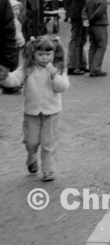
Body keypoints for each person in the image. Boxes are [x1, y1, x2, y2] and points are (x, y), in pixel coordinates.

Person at [0, 35, 70, 182]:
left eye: (48, 54)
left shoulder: (58, 68)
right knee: (31, 141)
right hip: (31, 112)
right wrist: (5, 77)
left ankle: (48, 169)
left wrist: (54, 77)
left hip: (52, 112)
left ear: (54, 53)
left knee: (49, 142)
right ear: (33, 53)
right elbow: (14, 80)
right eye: (40, 54)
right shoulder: (27, 67)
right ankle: (31, 157)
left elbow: (63, 87)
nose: (44, 58)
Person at [65, 0, 94, 75]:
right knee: (76, 38)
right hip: (77, 11)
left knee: (82, 38)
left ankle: (81, 64)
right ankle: (72, 65)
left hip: (84, 11)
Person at [84, 0, 110, 77]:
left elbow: (84, 10)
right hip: (100, 26)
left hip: (91, 26)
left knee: (93, 46)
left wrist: (86, 20)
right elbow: (98, 13)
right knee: (101, 46)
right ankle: (96, 68)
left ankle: (91, 67)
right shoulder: (103, 0)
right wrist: (91, 19)